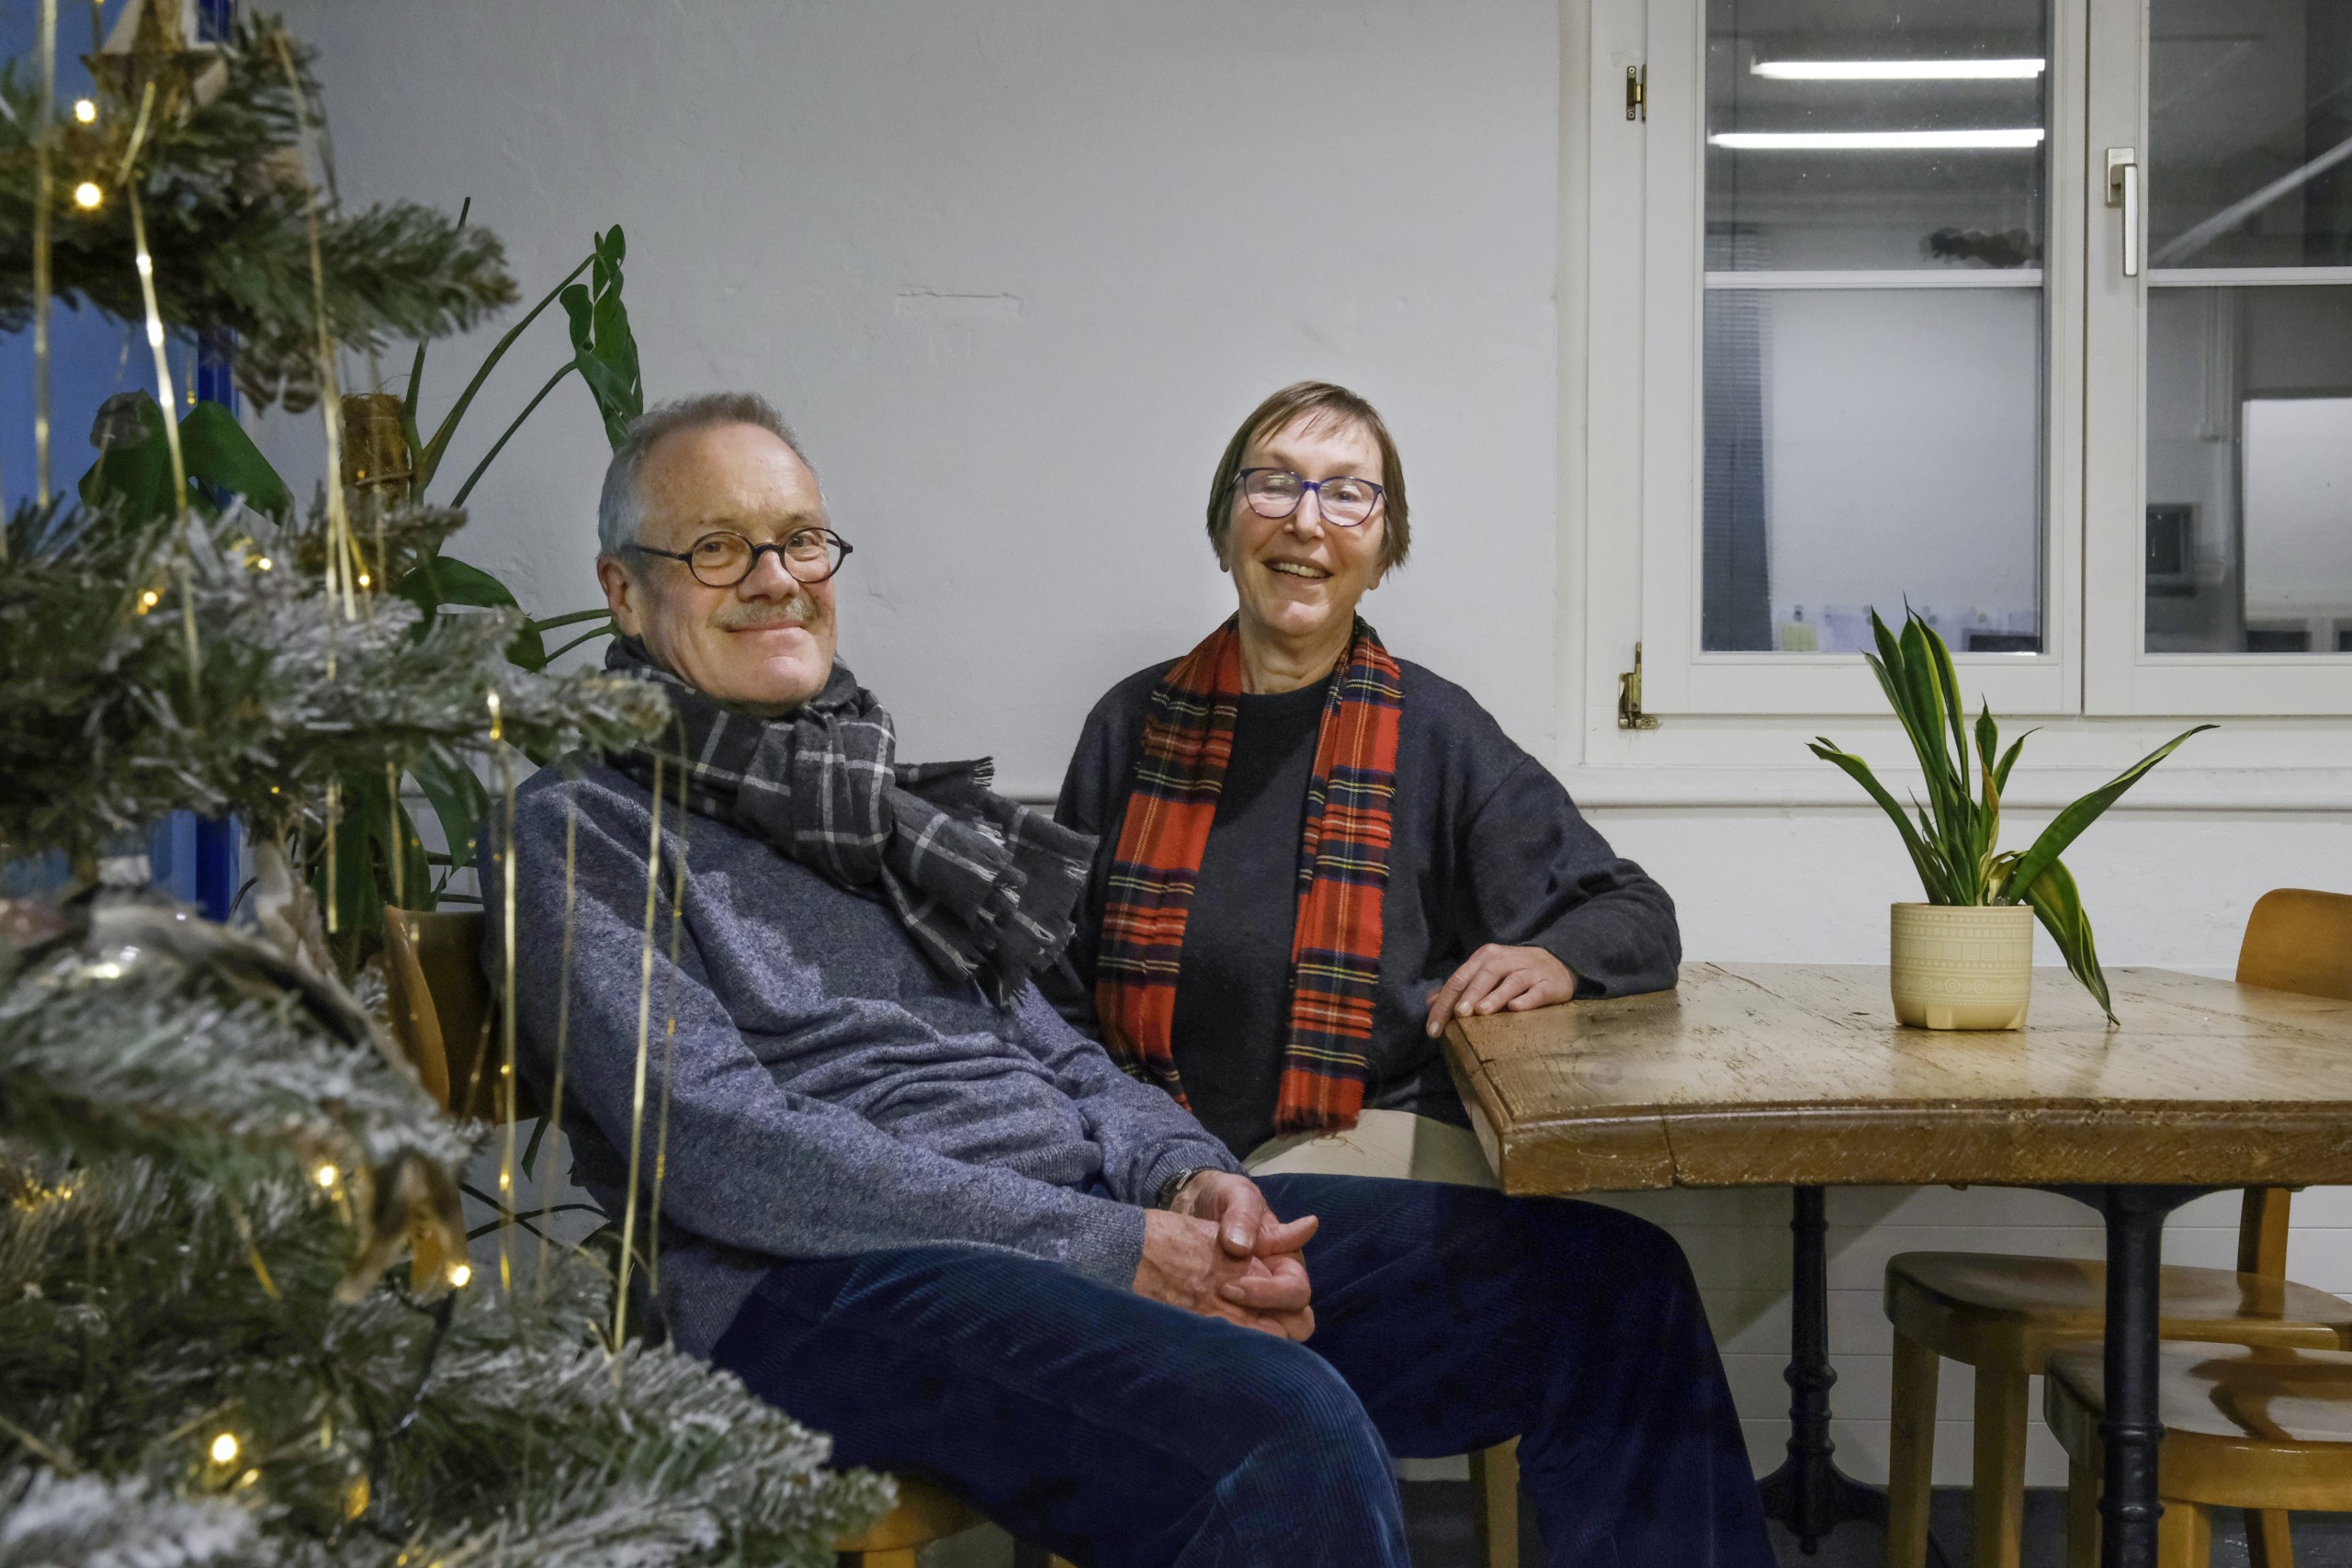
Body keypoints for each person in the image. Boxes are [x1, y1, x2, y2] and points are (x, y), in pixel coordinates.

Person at [494, 391, 1772, 1568]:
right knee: (1280, 1430)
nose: (777, 579)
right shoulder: (581, 823)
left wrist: (1193, 1177)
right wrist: (1117, 1242)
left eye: (801, 540)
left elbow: (1053, 1042)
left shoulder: (873, 807)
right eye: (719, 548)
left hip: (1063, 1212)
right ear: (622, 591)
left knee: (1608, 1289)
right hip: (815, 1276)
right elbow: (721, 1149)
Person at [1050, 380, 1680, 1170]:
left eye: (1348, 495)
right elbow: (1052, 983)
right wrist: (1129, 1148)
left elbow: (1636, 913)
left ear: (1383, 556)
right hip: (1147, 1144)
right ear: (1223, 532)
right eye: (1274, 483)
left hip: (1355, 1137)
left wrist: (1554, 961)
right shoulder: (1128, 725)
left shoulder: (1438, 731)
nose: (1306, 521)